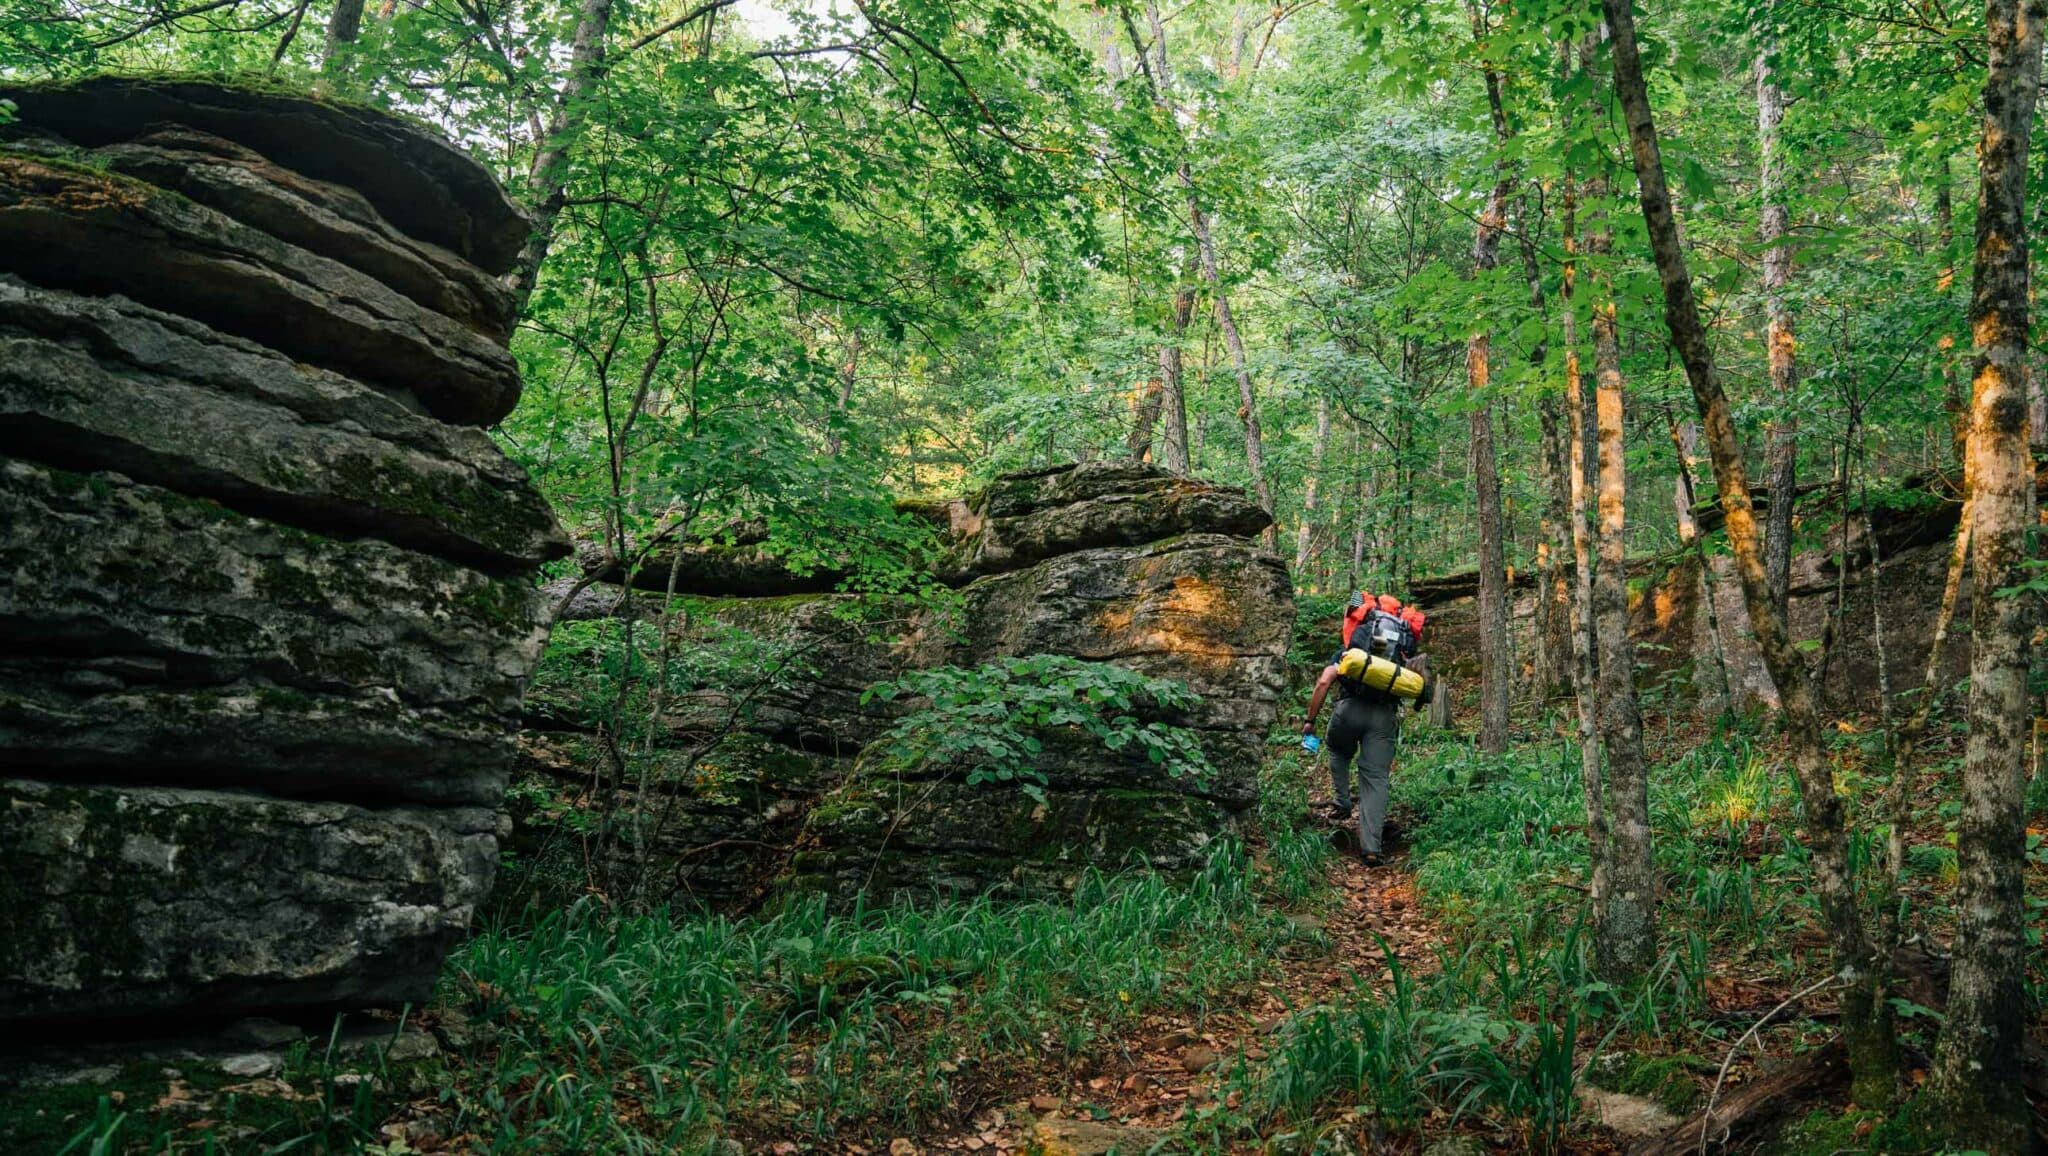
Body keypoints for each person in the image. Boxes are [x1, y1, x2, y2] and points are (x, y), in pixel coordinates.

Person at [1300, 592, 1425, 867]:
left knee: (1338, 748)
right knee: (1376, 779)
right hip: (1383, 717)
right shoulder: (1399, 653)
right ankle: (1371, 848)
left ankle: (1342, 802)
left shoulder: (1350, 652)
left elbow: (1324, 682)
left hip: (1349, 709)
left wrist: (1310, 719)